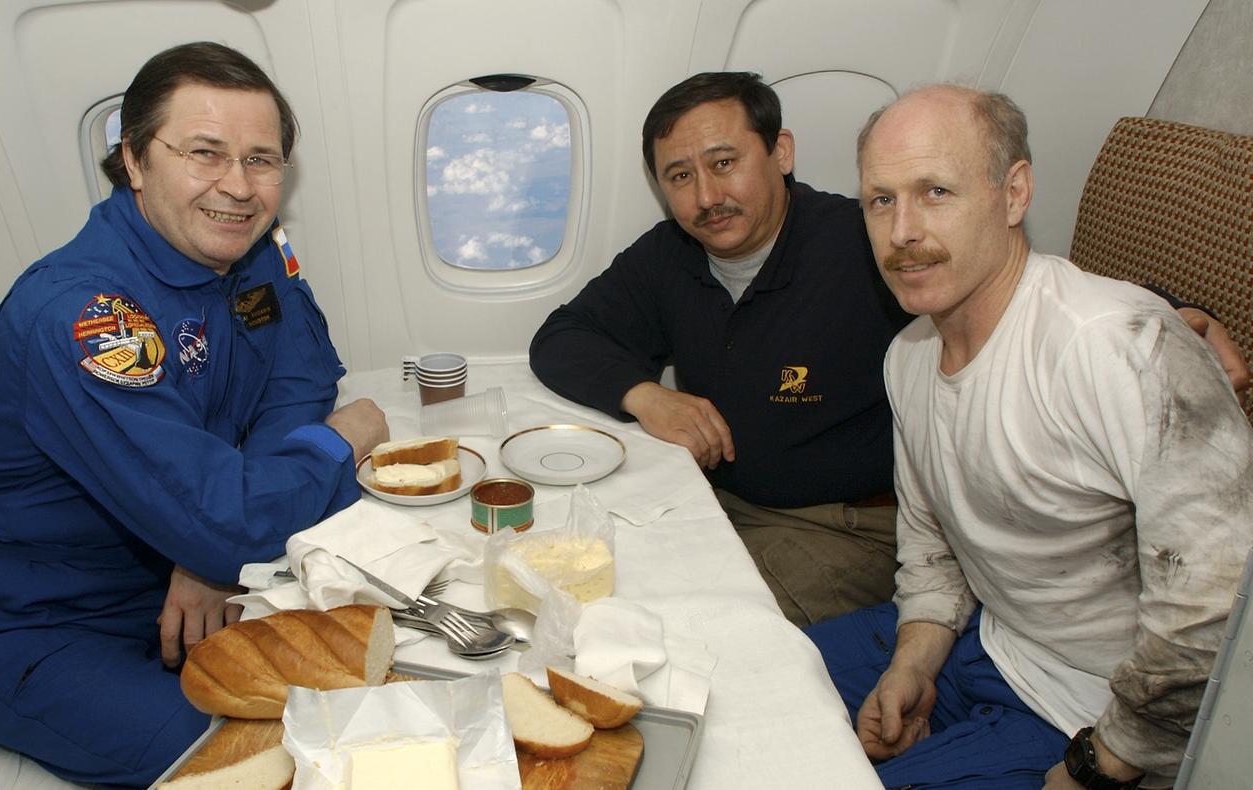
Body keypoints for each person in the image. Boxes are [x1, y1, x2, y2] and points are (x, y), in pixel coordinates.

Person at [528, 71, 1251, 627]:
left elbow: (1022, 289)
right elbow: (561, 338)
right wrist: (646, 395)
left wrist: (1175, 310)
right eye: (680, 176)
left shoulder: (866, 242)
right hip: (724, 500)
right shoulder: (669, 257)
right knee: (590, 584)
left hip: (853, 527)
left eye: (724, 162)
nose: (706, 196)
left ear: (781, 153)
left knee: (695, 628)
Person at [806, 84, 1253, 789]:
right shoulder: (908, 357)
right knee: (755, 673)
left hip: (1097, 709)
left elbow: (1219, 607)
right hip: (988, 640)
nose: (902, 231)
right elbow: (933, 546)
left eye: (936, 192)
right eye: (881, 200)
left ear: (1014, 193)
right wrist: (913, 662)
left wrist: (1101, 766)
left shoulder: (1115, 348)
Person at [0, 42, 388, 786]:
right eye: (205, 153)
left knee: (393, 680)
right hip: (35, 621)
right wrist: (336, 443)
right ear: (134, 160)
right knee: (279, 763)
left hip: (187, 574)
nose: (239, 187)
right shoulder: (88, 318)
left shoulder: (249, 252)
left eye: (261, 160)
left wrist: (208, 546)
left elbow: (297, 377)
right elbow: (232, 516)